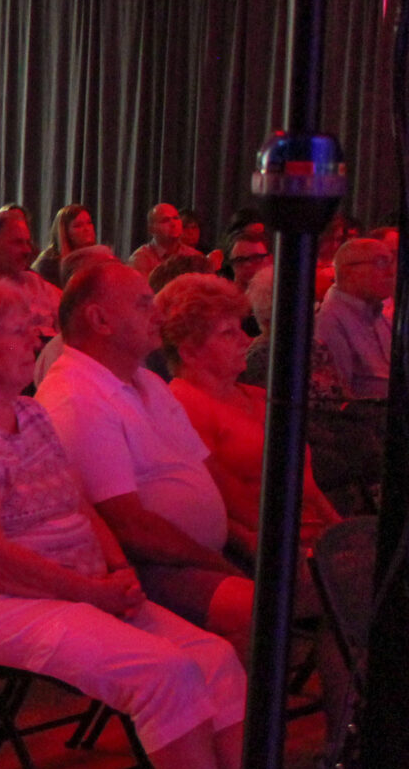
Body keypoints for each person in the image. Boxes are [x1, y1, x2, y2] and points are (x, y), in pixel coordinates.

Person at [0, 272, 331, 769]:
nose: (37, 339)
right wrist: (90, 590)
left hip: (81, 586)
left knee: (214, 657)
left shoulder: (26, 411)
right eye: (22, 332)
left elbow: (81, 505)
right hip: (6, 605)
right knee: (166, 673)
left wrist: (116, 568)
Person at [37, 262, 252, 652]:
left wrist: (255, 539)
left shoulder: (147, 380)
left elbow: (206, 473)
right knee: (260, 611)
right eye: (142, 304)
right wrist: (221, 564)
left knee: (329, 585)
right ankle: (233, 712)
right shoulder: (78, 398)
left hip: (200, 555)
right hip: (146, 570)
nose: (158, 314)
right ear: (100, 319)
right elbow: (131, 529)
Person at [159, 273, 340, 562]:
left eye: (241, 329)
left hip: (314, 541)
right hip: (270, 552)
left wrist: (339, 533)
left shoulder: (256, 396)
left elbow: (308, 486)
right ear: (189, 352)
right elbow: (221, 503)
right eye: (228, 333)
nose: (246, 340)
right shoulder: (183, 404)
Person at [312, 235, 395, 401]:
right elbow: (340, 398)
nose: (391, 272)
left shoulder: (377, 312)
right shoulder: (330, 320)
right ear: (348, 271)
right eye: (381, 263)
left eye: (391, 262)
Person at [0, 209, 61, 343]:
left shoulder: (34, 282)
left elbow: (69, 315)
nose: (27, 250)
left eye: (27, 243)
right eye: (18, 243)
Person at [33, 204, 97, 286]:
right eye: (78, 226)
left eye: (89, 223)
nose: (87, 229)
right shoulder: (49, 263)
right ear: (64, 232)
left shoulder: (94, 258)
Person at [129, 202, 184, 279]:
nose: (173, 224)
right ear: (151, 229)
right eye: (165, 220)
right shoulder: (140, 260)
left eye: (176, 218)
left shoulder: (193, 255)